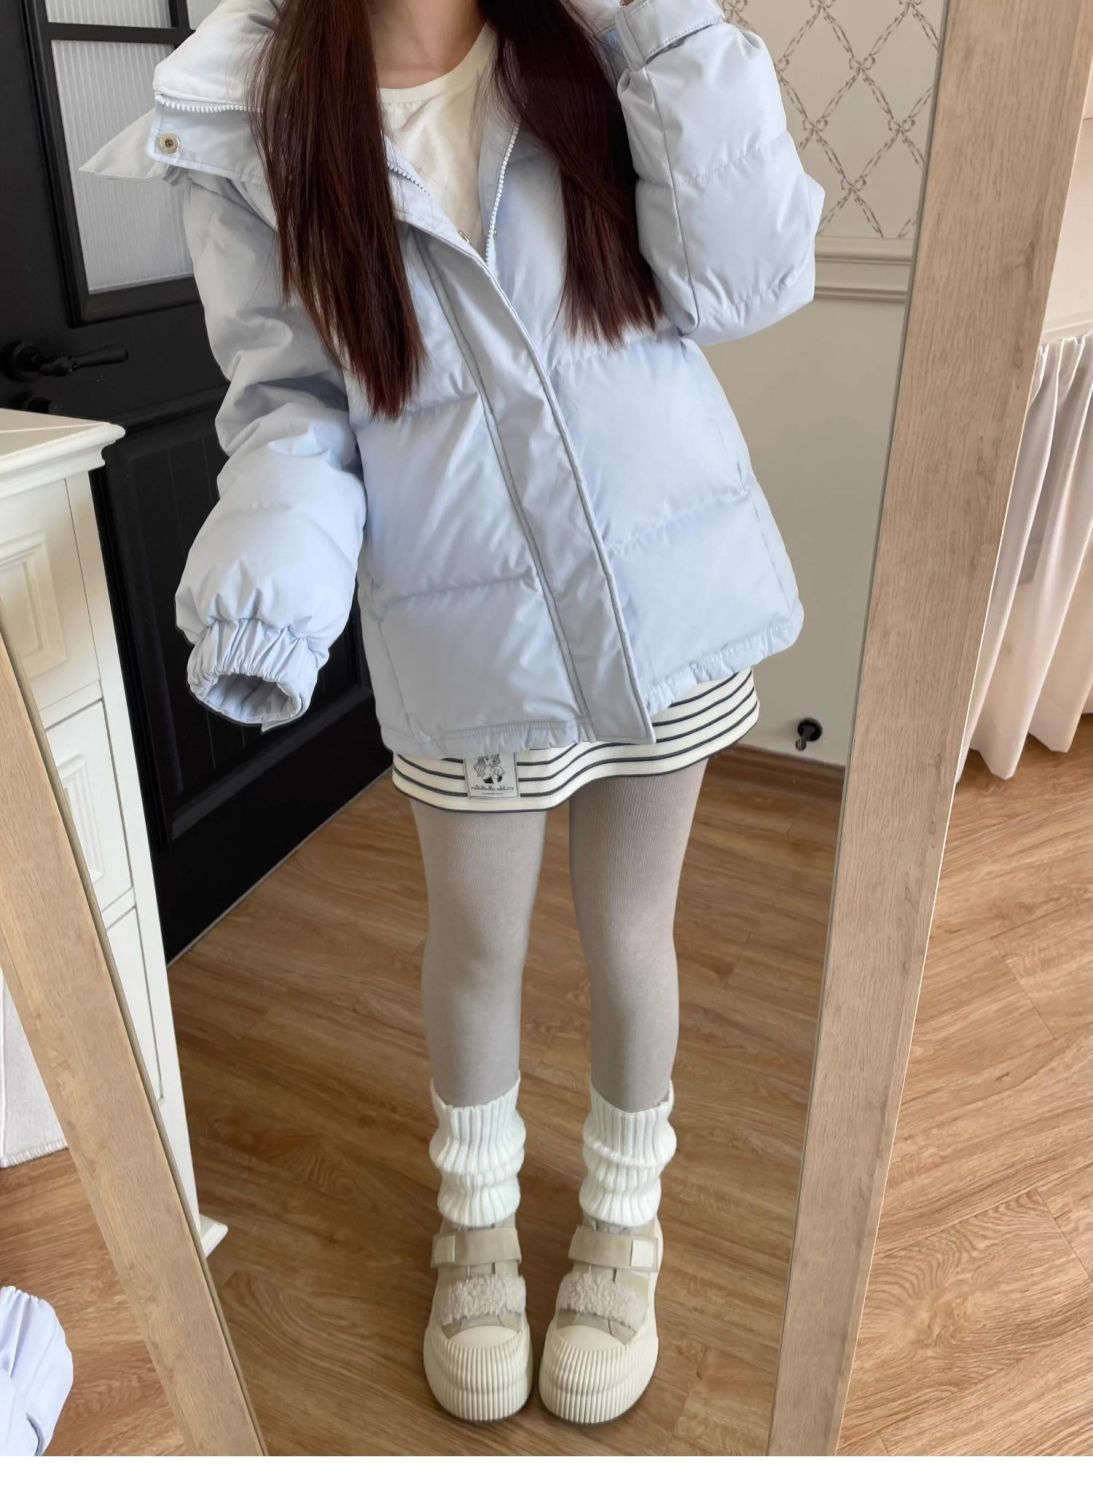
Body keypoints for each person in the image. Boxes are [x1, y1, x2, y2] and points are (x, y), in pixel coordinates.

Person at [84, 0, 822, 1426]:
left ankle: (622, 1224)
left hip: (662, 603)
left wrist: (661, 22)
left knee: (631, 935)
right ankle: (475, 1227)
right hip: (464, 634)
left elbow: (744, 280)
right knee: (476, 948)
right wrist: (268, 590)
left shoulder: (604, 44)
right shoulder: (251, 119)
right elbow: (290, 399)